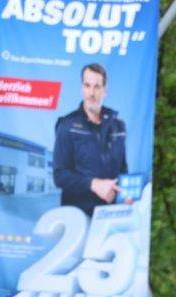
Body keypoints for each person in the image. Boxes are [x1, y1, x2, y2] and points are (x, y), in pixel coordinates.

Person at [52, 63, 128, 217]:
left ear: (105, 90)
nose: (91, 93)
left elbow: (123, 170)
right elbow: (60, 176)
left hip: (110, 214)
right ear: (82, 88)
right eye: (87, 86)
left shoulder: (118, 126)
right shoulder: (67, 125)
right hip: (78, 216)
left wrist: (124, 194)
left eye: (97, 87)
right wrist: (94, 184)